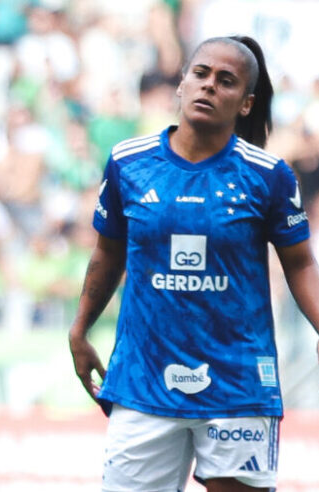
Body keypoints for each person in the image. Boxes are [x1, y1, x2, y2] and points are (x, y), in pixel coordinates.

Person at [69, 35, 319, 492]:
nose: (208, 87)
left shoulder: (269, 175)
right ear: (181, 83)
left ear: (245, 104)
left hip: (238, 380)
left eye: (226, 82)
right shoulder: (129, 163)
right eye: (200, 74)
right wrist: (80, 328)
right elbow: (108, 253)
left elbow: (300, 265)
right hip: (144, 380)